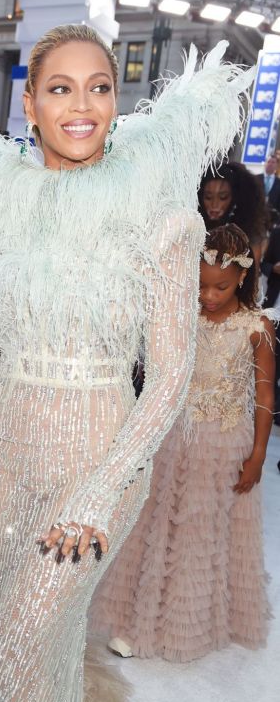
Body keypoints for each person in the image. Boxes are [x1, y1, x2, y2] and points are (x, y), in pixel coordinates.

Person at [0, 25, 253, 702]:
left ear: (117, 101)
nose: (81, 104)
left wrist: (97, 488)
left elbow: (171, 377)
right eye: (61, 88)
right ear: (30, 105)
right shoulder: (0, 204)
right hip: (2, 456)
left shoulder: (160, 215)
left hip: (104, 458)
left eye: (99, 87)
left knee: (21, 641)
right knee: (6, 638)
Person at [93, 224, 274, 662]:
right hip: (174, 435)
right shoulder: (180, 318)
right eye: (201, 286)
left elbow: (265, 395)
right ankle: (137, 623)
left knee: (201, 530)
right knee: (155, 526)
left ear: (243, 279)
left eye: (221, 287)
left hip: (225, 442)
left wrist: (259, 454)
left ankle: (191, 626)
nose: (209, 295)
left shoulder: (256, 327)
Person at [199, 161, 268, 263]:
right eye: (208, 197)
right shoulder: (191, 229)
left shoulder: (249, 236)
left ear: (236, 199)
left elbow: (252, 277)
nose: (214, 205)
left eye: (223, 197)